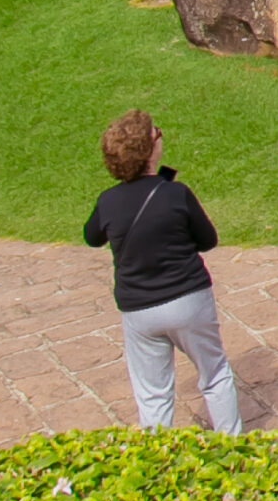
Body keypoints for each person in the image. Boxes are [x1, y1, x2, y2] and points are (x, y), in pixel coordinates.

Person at [83, 110, 240, 434]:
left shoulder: (108, 201)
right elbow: (208, 241)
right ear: (149, 151)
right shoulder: (176, 193)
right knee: (215, 376)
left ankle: (159, 464)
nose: (161, 137)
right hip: (188, 302)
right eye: (158, 134)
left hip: (139, 312)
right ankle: (234, 450)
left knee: (153, 395)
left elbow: (91, 236)